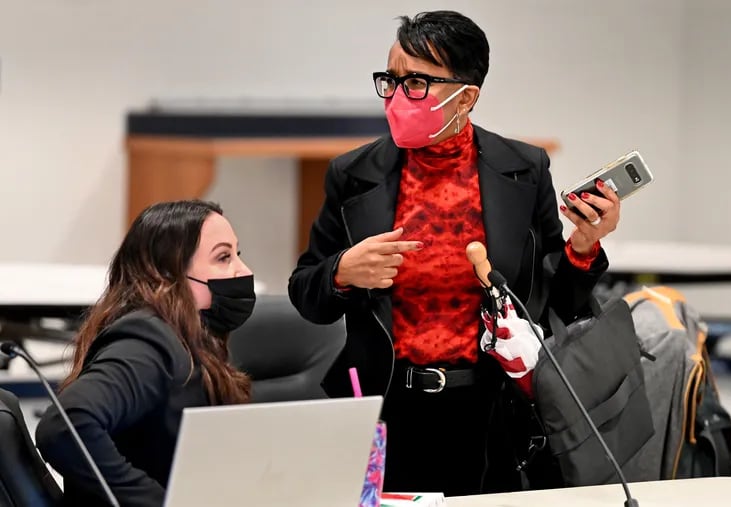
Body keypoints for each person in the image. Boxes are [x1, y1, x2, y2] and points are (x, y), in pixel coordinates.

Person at [289, 10, 622, 496]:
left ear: (466, 97)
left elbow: (556, 305)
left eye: (417, 83)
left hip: (492, 410)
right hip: (385, 404)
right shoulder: (353, 173)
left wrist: (584, 246)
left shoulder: (523, 170)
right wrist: (342, 271)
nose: (399, 96)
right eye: (391, 80)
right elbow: (306, 293)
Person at [36, 200, 256, 507]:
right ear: (168, 274)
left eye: (237, 255)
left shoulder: (187, 337)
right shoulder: (146, 340)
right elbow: (65, 427)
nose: (243, 271)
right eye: (223, 257)